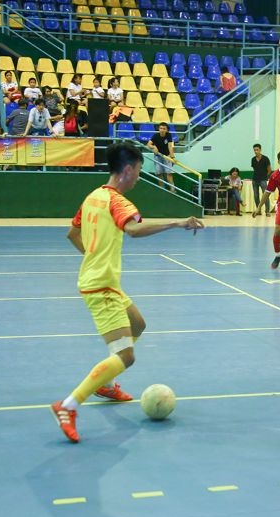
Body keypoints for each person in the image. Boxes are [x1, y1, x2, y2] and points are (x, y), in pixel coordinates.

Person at [51, 141, 204, 443]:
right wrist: (177, 222)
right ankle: (68, 405)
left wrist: (94, 259)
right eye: (138, 171)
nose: (138, 177)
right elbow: (133, 230)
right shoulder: (118, 201)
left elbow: (72, 233)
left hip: (103, 280)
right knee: (126, 355)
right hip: (101, 286)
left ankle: (106, 383)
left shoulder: (93, 196)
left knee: (138, 324)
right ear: (128, 169)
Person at [147, 122, 175, 192]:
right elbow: (148, 144)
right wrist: (154, 147)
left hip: (166, 156)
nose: (162, 130)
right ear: (159, 129)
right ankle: (162, 189)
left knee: (169, 173)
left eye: (164, 129)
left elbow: (170, 146)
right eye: (161, 128)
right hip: (158, 156)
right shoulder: (155, 136)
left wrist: (172, 157)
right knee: (159, 173)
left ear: (166, 130)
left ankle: (172, 189)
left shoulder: (168, 135)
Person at [250, 143, 272, 216]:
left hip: (263, 180)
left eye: (257, 150)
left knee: (265, 195)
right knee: (256, 196)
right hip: (255, 180)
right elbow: (254, 169)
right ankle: (258, 210)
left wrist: (265, 177)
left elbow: (269, 170)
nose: (256, 151)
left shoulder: (265, 158)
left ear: (260, 150)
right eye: (254, 150)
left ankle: (267, 211)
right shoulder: (253, 159)